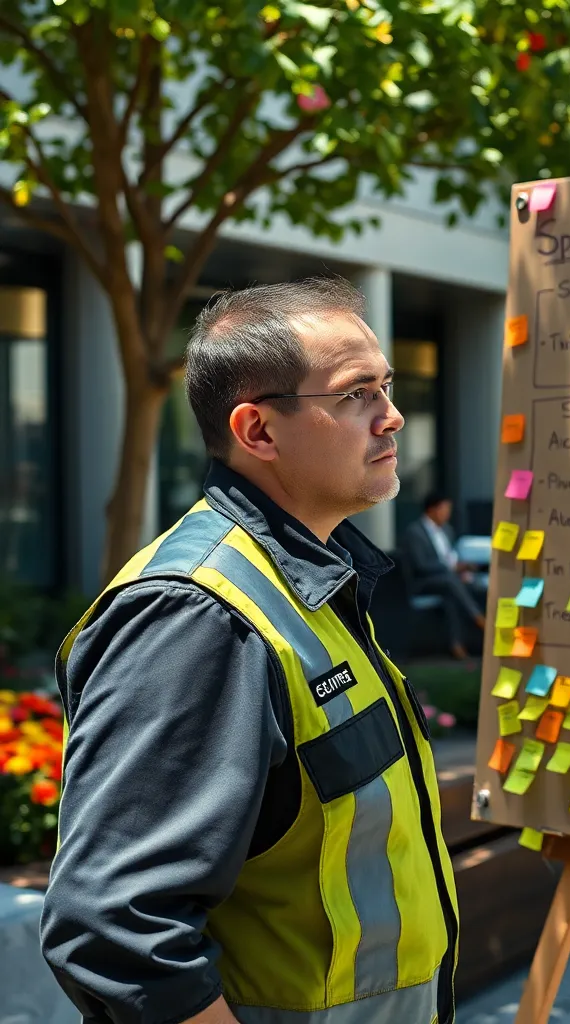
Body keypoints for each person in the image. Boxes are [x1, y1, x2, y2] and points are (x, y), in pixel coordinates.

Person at [40, 278, 459, 1024]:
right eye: (357, 393)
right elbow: (116, 932)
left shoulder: (312, 583)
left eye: (387, 386)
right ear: (258, 431)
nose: (392, 417)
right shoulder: (197, 616)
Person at [400, 492, 486, 660]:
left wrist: (460, 569)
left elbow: (451, 557)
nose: (447, 514)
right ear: (432, 509)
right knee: (450, 582)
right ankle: (478, 618)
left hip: (447, 581)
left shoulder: (447, 530)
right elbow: (421, 565)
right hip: (423, 582)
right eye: (445, 509)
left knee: (458, 591)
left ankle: (457, 645)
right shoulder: (415, 532)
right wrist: (451, 569)